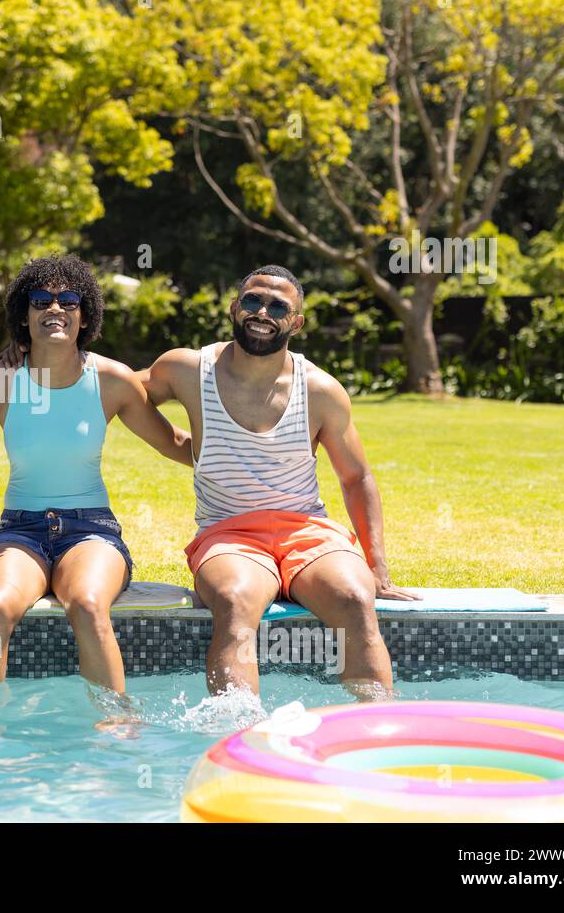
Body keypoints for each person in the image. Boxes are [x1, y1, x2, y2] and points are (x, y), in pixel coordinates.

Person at [0, 255, 192, 728]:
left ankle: (116, 718)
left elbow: (173, 444)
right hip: (19, 531)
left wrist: (245, 448)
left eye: (68, 300)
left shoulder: (111, 380)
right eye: (41, 300)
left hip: (91, 532)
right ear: (23, 316)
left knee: (87, 604)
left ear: (84, 315)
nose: (55, 307)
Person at [140, 264, 421, 699]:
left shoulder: (320, 390)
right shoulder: (187, 370)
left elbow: (356, 475)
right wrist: (176, 443)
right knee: (234, 602)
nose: (262, 312)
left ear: (296, 322)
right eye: (252, 300)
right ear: (235, 307)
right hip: (228, 534)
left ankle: (374, 730)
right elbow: (120, 391)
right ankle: (235, 736)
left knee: (354, 597)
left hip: (307, 532)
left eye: (278, 306)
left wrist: (377, 565)